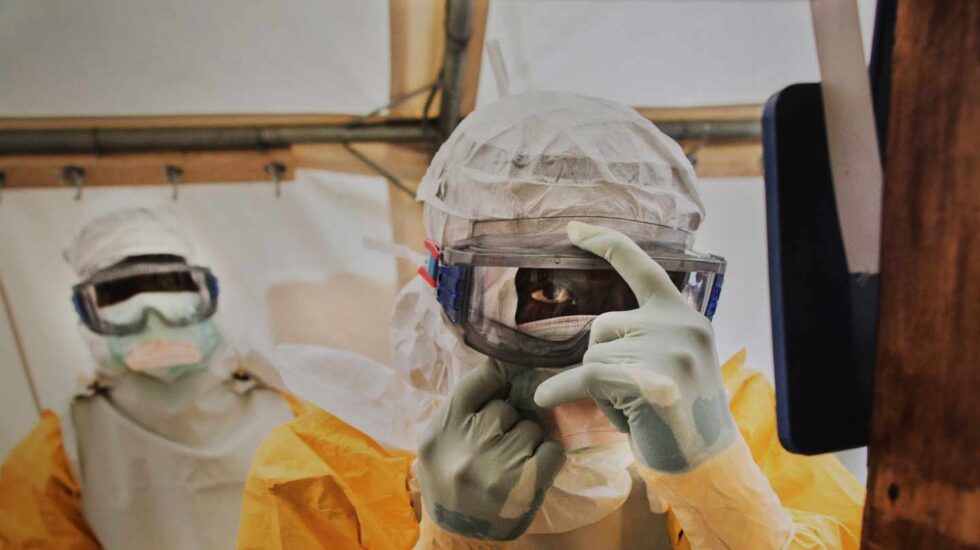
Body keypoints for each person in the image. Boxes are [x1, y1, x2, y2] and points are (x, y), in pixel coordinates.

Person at [238, 92, 866, 549]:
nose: (590, 345)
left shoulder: (749, 425)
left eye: (636, 292)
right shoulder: (322, 473)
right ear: (442, 289)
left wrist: (723, 494)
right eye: (546, 292)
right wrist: (452, 542)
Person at [0, 207, 301, 549]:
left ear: (204, 292)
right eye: (121, 293)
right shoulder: (56, 456)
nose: (150, 310)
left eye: (166, 284)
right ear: (88, 312)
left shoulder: (294, 417)